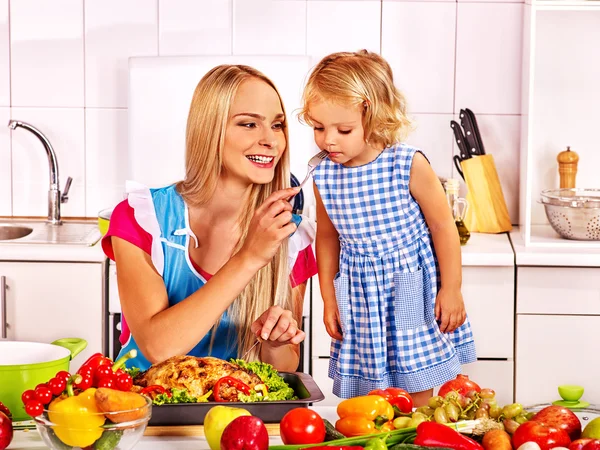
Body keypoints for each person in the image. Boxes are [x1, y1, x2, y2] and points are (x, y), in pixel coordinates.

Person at [102, 64, 317, 372]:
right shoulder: (141, 218)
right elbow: (157, 347)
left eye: (278, 125)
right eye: (248, 124)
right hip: (148, 412)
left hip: (238, 414)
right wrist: (249, 258)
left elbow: (284, 368)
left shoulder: (289, 235)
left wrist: (275, 343)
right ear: (209, 129)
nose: (271, 140)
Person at [299, 50, 476, 406]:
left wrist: (452, 288)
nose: (328, 140)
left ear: (373, 115)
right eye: (318, 128)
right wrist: (329, 298)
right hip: (360, 291)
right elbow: (327, 237)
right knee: (373, 389)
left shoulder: (407, 163)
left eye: (343, 129)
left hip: (408, 283)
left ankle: (417, 435)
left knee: (416, 379)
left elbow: (443, 225)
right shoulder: (324, 174)